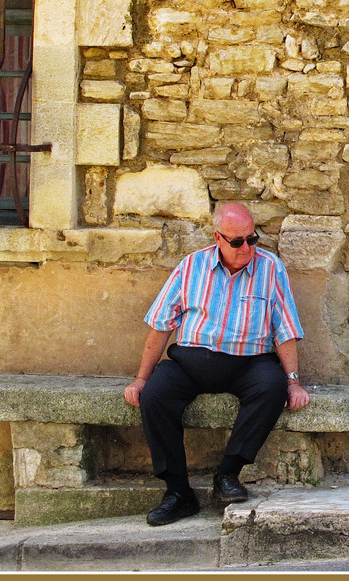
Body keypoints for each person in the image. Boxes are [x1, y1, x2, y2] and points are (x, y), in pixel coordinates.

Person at [124, 202, 310, 526]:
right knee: (154, 396)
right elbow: (161, 325)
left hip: (249, 361)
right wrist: (140, 379)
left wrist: (293, 381)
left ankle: (228, 474)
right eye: (237, 241)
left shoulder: (270, 268)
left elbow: (285, 329)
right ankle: (177, 493)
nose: (246, 248)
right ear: (218, 238)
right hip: (191, 359)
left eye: (251, 239)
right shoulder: (191, 266)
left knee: (272, 386)